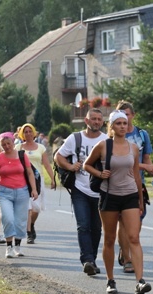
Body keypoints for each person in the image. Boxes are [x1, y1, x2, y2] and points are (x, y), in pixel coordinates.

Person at [83, 110, 151, 294]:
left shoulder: (133, 147)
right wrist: (99, 174)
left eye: (125, 123)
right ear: (111, 126)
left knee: (134, 238)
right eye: (119, 123)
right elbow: (86, 165)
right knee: (110, 239)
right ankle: (110, 280)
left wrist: (140, 199)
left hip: (129, 195)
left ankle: (140, 281)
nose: (123, 126)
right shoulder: (103, 146)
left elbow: (136, 174)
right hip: (109, 195)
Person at [54, 108, 107, 276]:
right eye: (93, 119)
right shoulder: (75, 138)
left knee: (96, 228)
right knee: (83, 226)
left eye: (99, 119)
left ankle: (92, 259)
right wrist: (70, 166)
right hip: (80, 189)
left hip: (99, 190)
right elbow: (58, 157)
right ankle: (88, 260)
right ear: (86, 120)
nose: (96, 122)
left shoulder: (106, 140)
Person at [115, 100, 153, 273]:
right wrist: (144, 166)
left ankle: (126, 249)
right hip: (119, 184)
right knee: (123, 224)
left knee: (136, 224)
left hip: (137, 184)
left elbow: (146, 159)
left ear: (133, 115)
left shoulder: (142, 134)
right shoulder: (116, 136)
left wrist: (152, 169)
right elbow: (120, 161)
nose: (124, 119)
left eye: (126, 114)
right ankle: (127, 258)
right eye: (120, 115)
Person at [0, 132, 38, 258]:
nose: (7, 146)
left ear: (13, 142)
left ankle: (17, 245)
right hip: (4, 192)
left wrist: (34, 189)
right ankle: (9, 246)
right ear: (1, 145)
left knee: (20, 221)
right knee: (8, 218)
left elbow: (30, 173)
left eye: (8, 143)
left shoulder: (22, 156)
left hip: (22, 191)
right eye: (3, 144)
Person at [15, 123, 56, 244]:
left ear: (33, 133)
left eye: (30, 131)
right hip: (23, 180)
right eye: (25, 131)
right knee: (28, 208)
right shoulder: (18, 148)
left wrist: (53, 179)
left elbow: (47, 165)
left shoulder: (40, 147)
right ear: (22, 134)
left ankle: (31, 224)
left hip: (38, 180)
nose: (28, 133)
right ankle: (29, 233)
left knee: (36, 208)